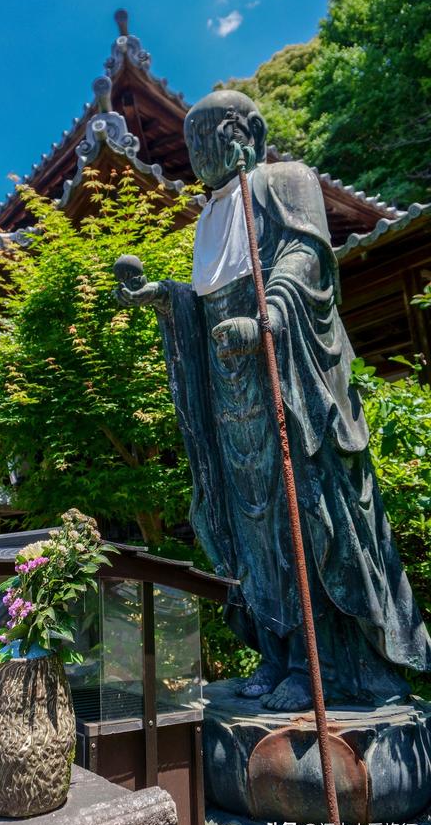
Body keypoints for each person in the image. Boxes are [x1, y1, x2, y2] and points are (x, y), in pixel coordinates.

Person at [116, 90, 431, 710]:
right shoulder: (209, 216)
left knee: (303, 520)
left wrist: (267, 320)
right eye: (190, 144)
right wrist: (167, 297)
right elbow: (208, 297)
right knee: (253, 526)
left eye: (208, 138)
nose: (197, 154)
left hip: (287, 382)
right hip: (235, 405)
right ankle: (277, 651)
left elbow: (305, 260)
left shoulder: (284, 181)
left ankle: (328, 667)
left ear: (246, 132)